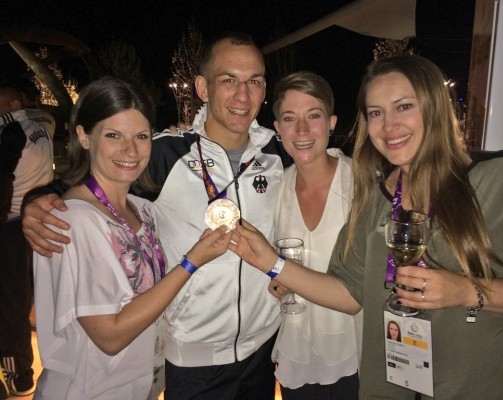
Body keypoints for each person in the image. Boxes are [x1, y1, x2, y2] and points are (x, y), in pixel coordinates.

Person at [228, 55, 503, 399]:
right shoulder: (377, 199)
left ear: (434, 106)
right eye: (376, 113)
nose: (389, 126)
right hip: (391, 388)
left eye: (403, 106)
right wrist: (271, 263)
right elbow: (348, 293)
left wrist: (469, 292)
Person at [21, 33, 292, 400]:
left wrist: (286, 268)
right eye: (229, 80)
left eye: (255, 81)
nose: (243, 95)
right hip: (190, 360)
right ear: (203, 87)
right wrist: (39, 198)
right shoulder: (162, 154)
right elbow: (101, 183)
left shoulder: (280, 155)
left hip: (261, 351)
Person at [32, 76, 232, 399]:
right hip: (88, 390)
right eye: (113, 135)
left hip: (139, 385)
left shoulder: (142, 210)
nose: (131, 150)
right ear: (84, 136)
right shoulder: (76, 219)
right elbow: (109, 336)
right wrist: (192, 262)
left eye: (141, 136)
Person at [268, 71, 362, 400]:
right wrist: (274, 281)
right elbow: (270, 264)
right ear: (278, 129)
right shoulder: (275, 188)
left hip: (354, 354)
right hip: (295, 355)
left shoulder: (361, 185)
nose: (303, 130)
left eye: (314, 116)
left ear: (332, 123)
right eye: (290, 118)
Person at [0, 81, 54, 399]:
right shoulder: (41, 123)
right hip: (34, 222)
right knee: (23, 299)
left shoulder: (8, 131)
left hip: (9, 227)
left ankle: (19, 376)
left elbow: (3, 185)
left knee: (10, 306)